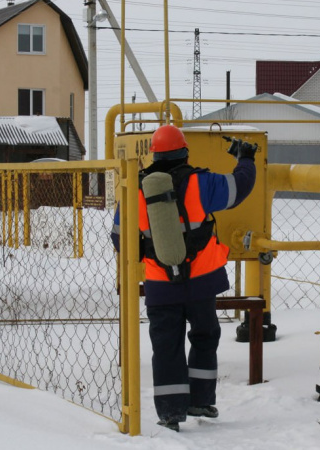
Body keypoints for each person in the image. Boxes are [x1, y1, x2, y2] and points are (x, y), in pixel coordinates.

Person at [110, 124, 257, 432]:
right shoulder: (200, 182)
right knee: (205, 335)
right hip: (201, 281)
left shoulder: (135, 189)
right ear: (184, 151)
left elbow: (119, 237)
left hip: (160, 285)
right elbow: (238, 188)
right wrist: (246, 159)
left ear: (153, 154)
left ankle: (170, 413)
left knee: (166, 346)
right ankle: (201, 400)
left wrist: (152, 255)